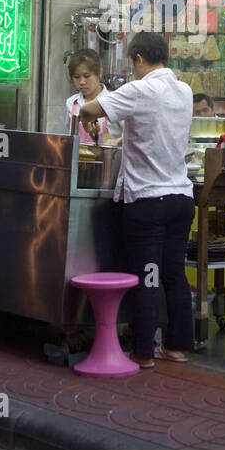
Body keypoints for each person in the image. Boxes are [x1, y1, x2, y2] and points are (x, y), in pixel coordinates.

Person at [79, 31, 193, 369]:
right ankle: (176, 347)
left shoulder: (140, 89)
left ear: (139, 59)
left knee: (148, 275)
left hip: (148, 199)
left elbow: (89, 108)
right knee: (173, 273)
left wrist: (88, 118)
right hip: (181, 197)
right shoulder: (184, 90)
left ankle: (143, 351)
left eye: (133, 63)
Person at [64, 49, 113, 144]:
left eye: (86, 76)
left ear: (99, 73)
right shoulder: (72, 103)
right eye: (76, 77)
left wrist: (116, 141)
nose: (82, 82)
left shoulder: (113, 101)